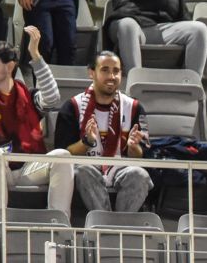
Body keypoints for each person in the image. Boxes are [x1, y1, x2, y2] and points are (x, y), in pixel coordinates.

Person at [0, 26, 66, 223]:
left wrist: (36, 56)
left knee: (62, 157)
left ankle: (59, 226)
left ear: (9, 67)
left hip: (26, 167)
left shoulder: (29, 95)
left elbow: (52, 98)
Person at [50, 52, 152, 215]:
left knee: (139, 174)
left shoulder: (134, 107)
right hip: (88, 167)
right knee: (82, 171)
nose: (111, 76)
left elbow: (143, 155)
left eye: (116, 71)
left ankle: (117, 226)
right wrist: (86, 142)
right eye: (105, 70)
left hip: (120, 167)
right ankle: (106, 224)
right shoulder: (72, 107)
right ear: (91, 72)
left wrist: (133, 148)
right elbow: (63, 154)